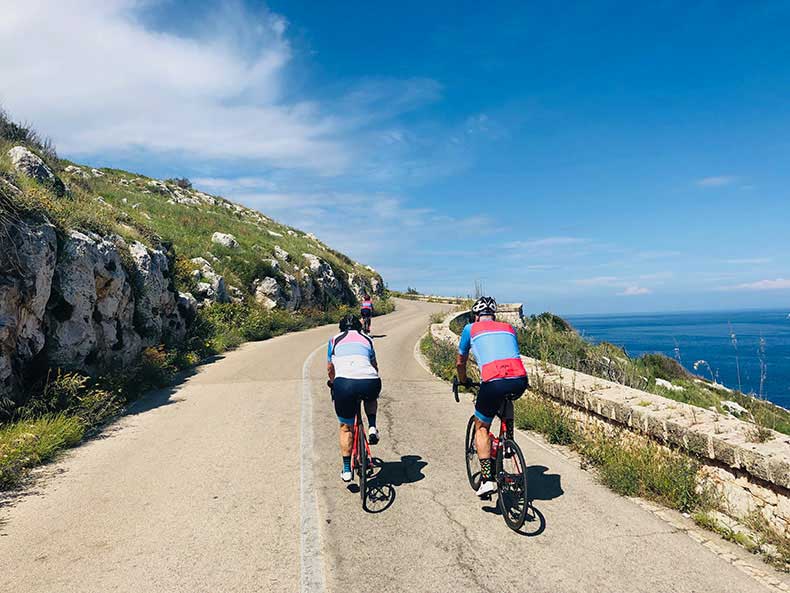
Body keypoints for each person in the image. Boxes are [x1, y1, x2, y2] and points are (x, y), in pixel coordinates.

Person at [456, 296, 529, 497]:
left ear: (476, 315)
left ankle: (487, 479)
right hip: (520, 379)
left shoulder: (470, 329)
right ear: (493, 315)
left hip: (493, 380)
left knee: (481, 428)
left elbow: (460, 361)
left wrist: (463, 380)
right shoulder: (508, 327)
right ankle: (509, 440)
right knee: (507, 398)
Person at [327, 314, 382, 482]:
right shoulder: (368, 339)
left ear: (341, 327)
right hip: (369, 380)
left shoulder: (334, 340)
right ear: (359, 327)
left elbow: (330, 368)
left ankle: (346, 470)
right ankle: (372, 426)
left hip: (344, 384)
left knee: (345, 427)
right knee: (371, 397)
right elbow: (374, 365)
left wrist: (332, 383)